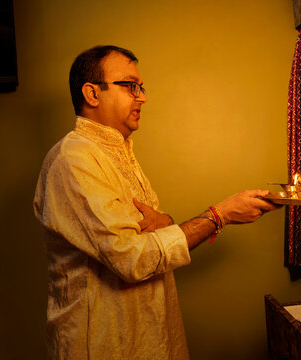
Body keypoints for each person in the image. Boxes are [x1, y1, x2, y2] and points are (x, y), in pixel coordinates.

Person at [33, 45, 278, 360]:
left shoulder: (117, 150)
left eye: (141, 87)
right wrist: (220, 215)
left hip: (149, 335)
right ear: (92, 94)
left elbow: (155, 235)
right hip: (103, 344)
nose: (142, 97)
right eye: (130, 86)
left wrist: (168, 221)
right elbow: (131, 258)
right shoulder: (74, 159)